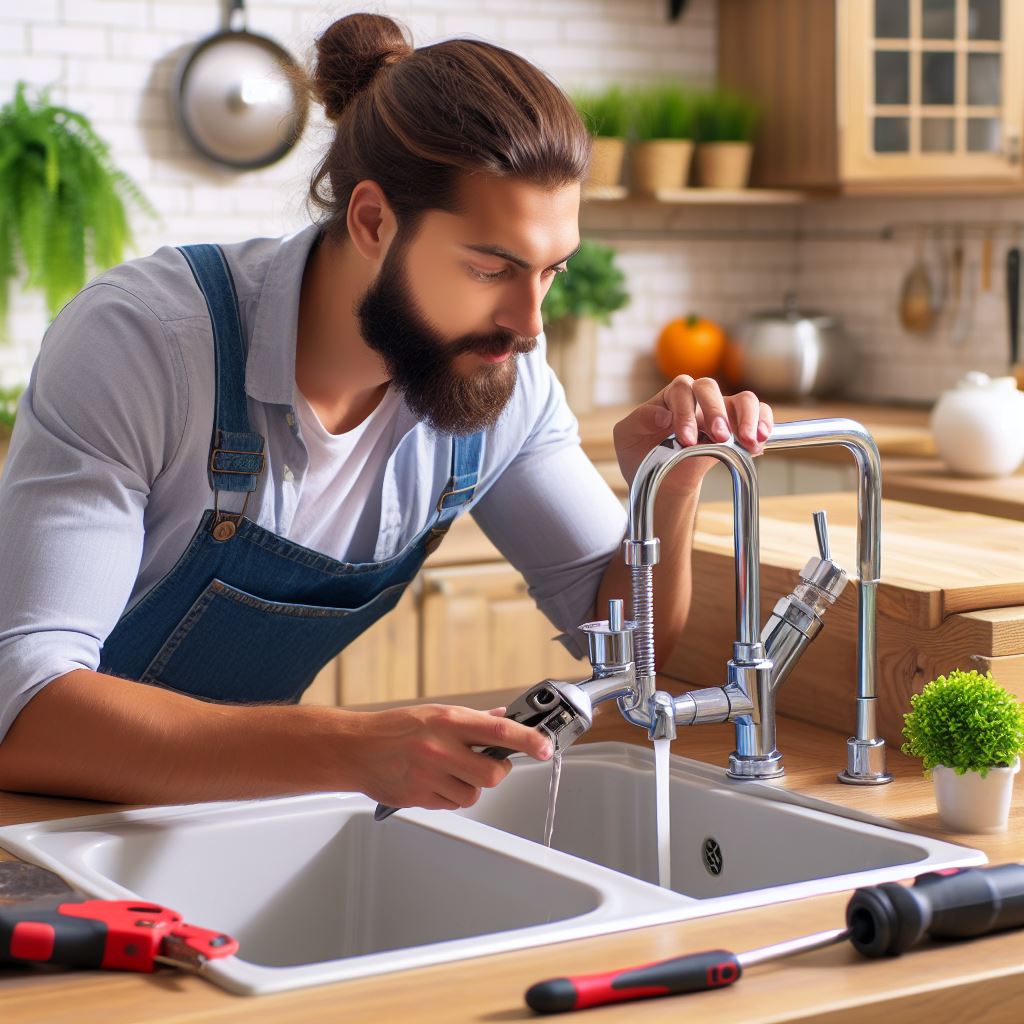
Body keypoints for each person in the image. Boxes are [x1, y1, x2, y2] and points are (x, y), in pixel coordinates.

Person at [0, 14, 773, 810]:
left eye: (551, 272)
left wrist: (666, 489)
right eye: (490, 267)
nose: (529, 320)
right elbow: (25, 711)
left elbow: (625, 642)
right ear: (372, 221)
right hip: (35, 828)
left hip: (227, 810)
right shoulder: (142, 345)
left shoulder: (502, 376)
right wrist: (352, 746)